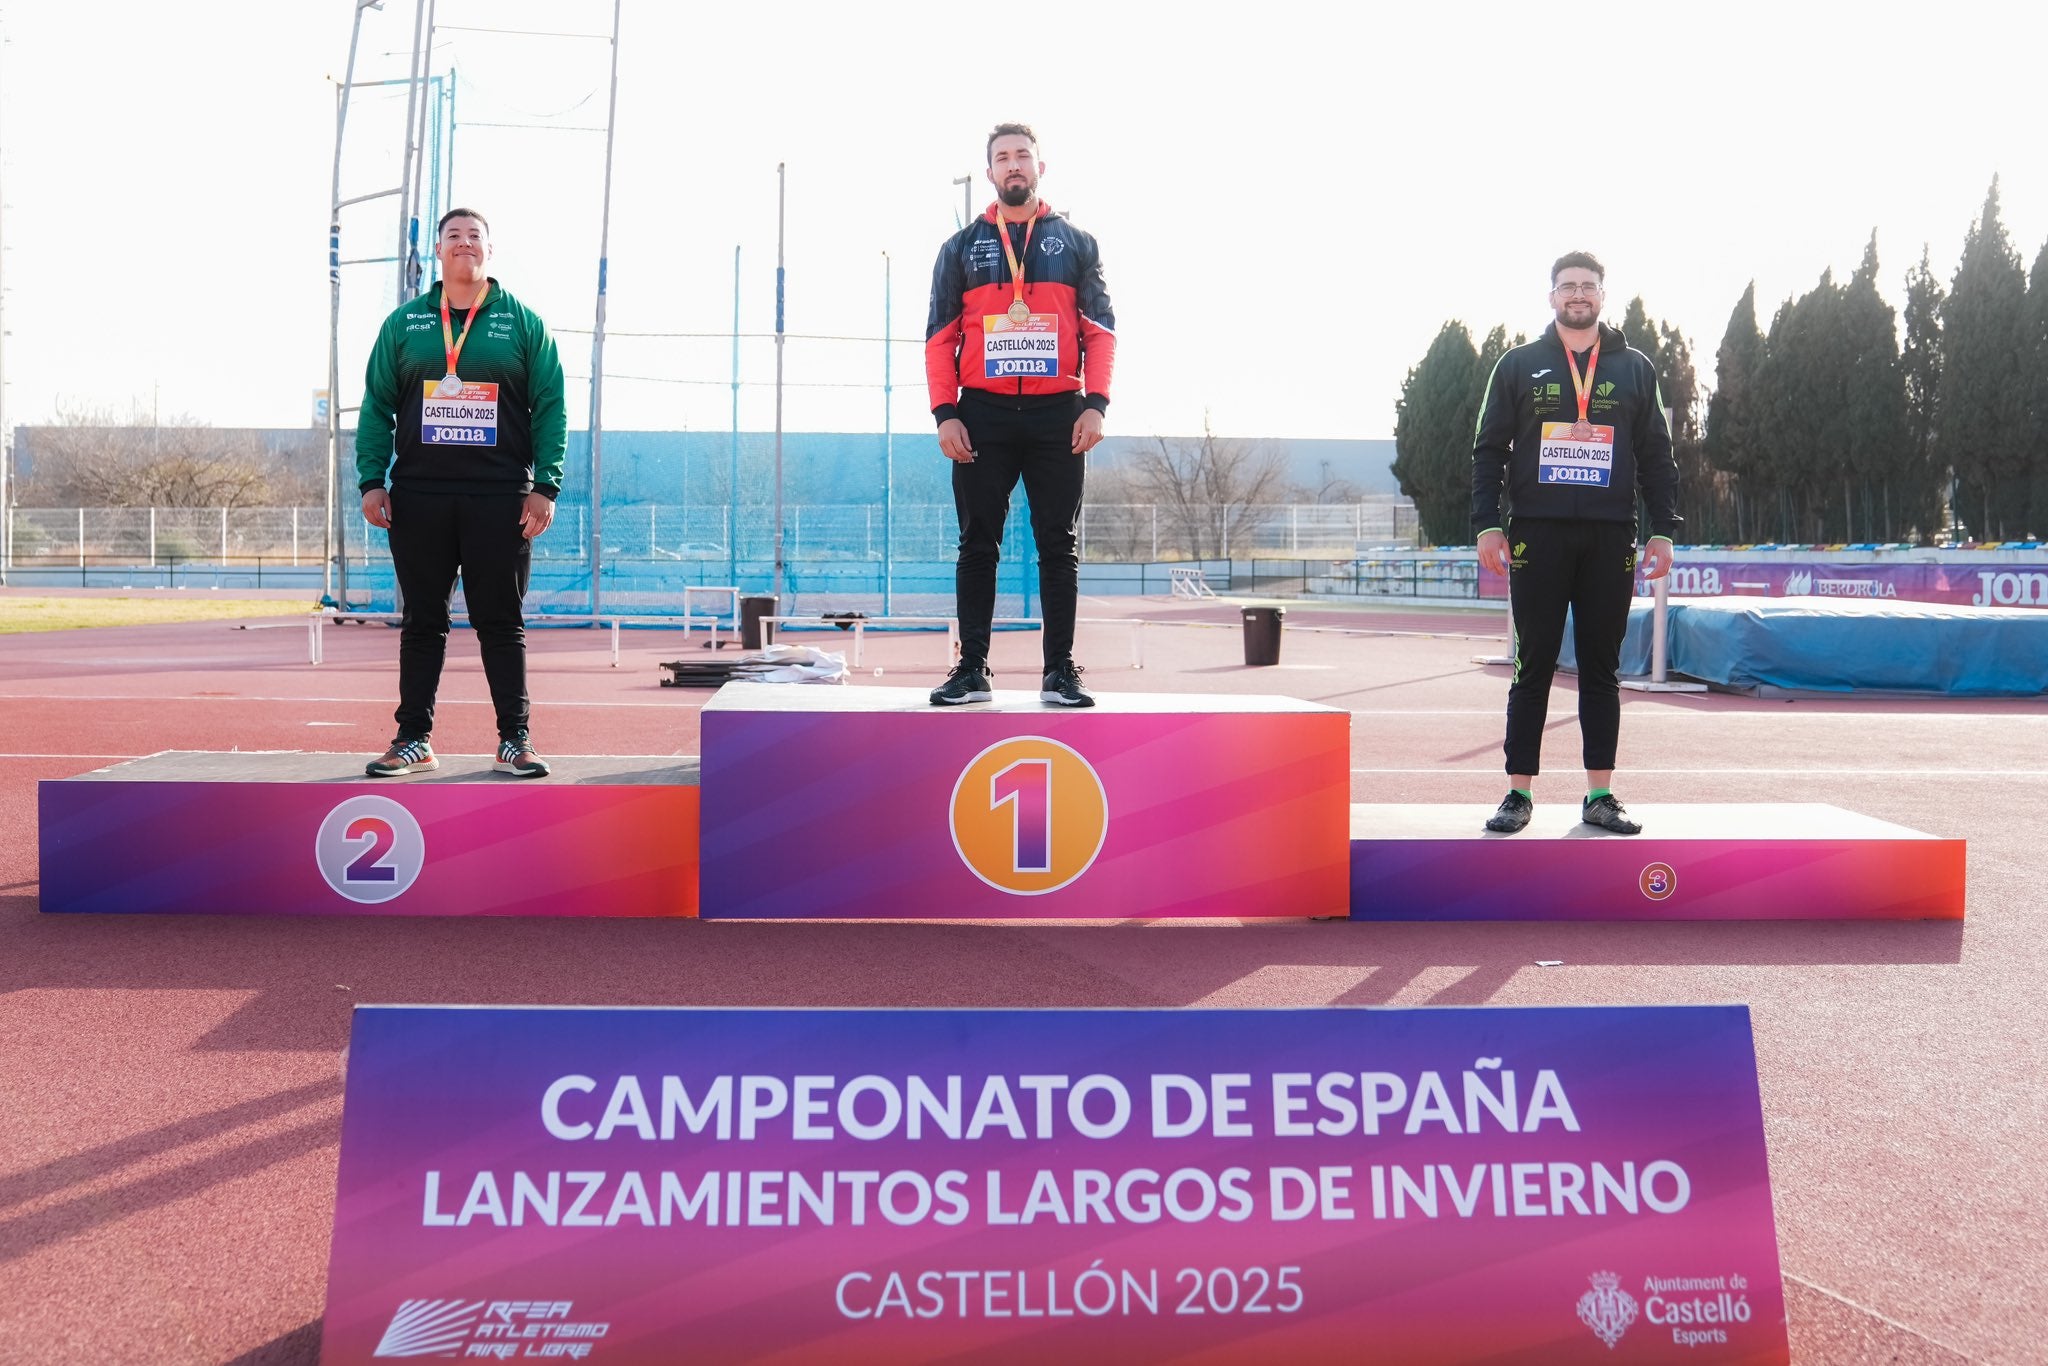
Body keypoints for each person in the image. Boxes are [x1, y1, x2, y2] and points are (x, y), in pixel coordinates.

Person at [1471, 251, 1680, 835]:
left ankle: (1600, 795)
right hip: (1537, 532)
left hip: (1610, 534)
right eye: (1568, 287)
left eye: (1588, 286)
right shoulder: (1518, 365)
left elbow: (1658, 458)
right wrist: (1487, 523)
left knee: (1600, 667)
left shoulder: (1636, 368)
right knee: (1532, 662)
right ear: (1552, 297)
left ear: (1602, 297)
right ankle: (1518, 794)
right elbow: (1489, 451)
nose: (1578, 295)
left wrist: (1663, 528)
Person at [356, 207, 566, 778]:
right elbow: (376, 405)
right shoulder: (405, 325)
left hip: (500, 496)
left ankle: (514, 740)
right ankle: (413, 739)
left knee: (500, 621)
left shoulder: (523, 325)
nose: (464, 243)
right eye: (454, 236)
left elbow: (550, 407)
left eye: (475, 236)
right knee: (423, 621)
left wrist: (545, 484)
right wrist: (372, 479)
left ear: (489, 252)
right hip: (419, 495)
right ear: (438, 253)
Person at [924, 121, 1117, 706]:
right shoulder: (960, 249)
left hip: (1059, 412)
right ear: (990, 172)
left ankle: (1059, 670)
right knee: (977, 543)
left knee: (1059, 543)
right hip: (982, 412)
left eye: (1023, 156)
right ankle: (972, 670)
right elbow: (939, 339)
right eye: (1002, 157)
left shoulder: (1077, 243)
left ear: (1040, 168)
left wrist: (1096, 405)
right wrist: (944, 413)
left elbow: (1101, 332)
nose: (1013, 165)